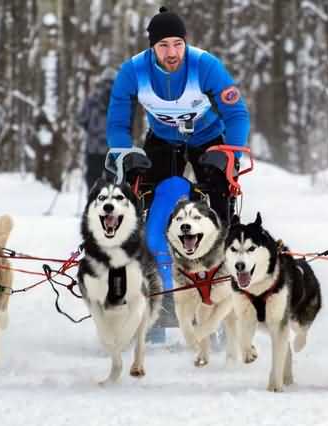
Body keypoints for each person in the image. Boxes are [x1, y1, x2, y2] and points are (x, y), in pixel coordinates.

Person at [105, 7, 250, 343]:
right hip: (163, 140)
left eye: (177, 44)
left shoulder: (205, 65)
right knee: (147, 207)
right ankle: (156, 298)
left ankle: (219, 302)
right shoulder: (133, 72)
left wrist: (231, 154)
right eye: (163, 46)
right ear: (151, 48)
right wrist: (125, 154)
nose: (172, 53)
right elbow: (117, 124)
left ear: (185, 43)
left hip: (208, 139)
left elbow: (237, 114)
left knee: (219, 211)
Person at [77, 69, 116, 194]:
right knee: (113, 179)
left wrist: (89, 128)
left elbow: (82, 119)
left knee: (93, 178)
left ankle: (93, 204)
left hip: (94, 147)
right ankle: (112, 207)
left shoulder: (92, 99)